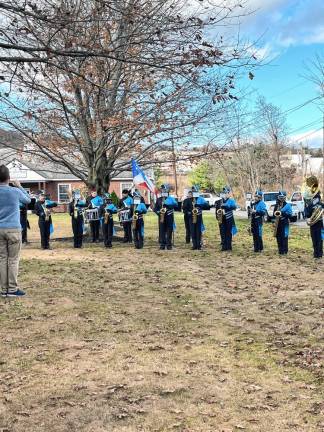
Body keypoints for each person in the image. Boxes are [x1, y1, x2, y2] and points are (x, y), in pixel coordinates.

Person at [0, 165, 31, 297]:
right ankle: (12, 289)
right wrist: (19, 186)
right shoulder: (14, 191)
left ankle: (3, 289)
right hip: (13, 228)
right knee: (13, 259)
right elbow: (28, 200)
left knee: (2, 258)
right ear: (9, 178)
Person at [303, 176, 323, 259]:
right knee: (314, 239)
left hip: (319, 222)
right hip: (313, 223)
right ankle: (316, 254)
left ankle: (319, 254)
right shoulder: (309, 203)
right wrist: (308, 207)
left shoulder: (320, 202)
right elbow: (307, 213)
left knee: (320, 239)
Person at [154, 184, 178, 250]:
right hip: (161, 217)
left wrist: (168, 204)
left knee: (169, 231)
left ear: (167, 191)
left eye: (164, 189)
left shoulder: (171, 198)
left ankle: (169, 245)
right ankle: (162, 245)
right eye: (162, 189)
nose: (163, 190)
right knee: (162, 231)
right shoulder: (159, 199)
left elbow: (176, 206)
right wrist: (158, 212)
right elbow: (155, 208)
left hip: (169, 216)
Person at [216, 186, 237, 251]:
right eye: (224, 193)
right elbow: (217, 209)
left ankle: (229, 247)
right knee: (223, 232)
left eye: (226, 193)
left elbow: (234, 207)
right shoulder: (220, 201)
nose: (225, 194)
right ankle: (224, 247)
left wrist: (227, 206)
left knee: (228, 232)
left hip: (229, 218)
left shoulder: (231, 200)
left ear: (228, 193)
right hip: (221, 218)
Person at [273, 191, 292, 255]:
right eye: (280, 197)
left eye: (283, 197)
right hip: (278, 224)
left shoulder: (287, 205)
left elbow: (290, 215)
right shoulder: (277, 205)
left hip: (284, 223)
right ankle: (280, 251)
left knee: (284, 237)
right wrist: (273, 222)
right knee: (278, 237)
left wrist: (283, 213)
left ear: (285, 197)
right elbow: (274, 214)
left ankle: (285, 251)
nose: (281, 198)